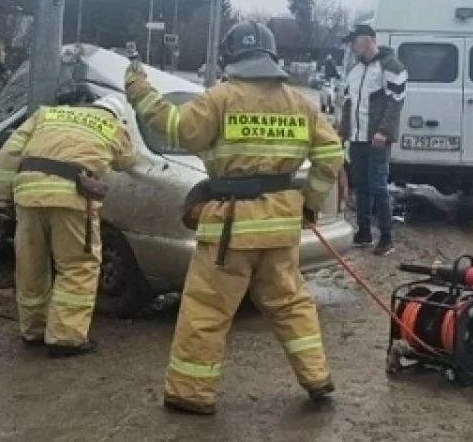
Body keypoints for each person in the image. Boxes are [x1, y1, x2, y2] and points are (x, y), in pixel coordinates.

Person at [125, 21, 345, 415]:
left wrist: (139, 90)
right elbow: (331, 156)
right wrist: (309, 201)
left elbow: (176, 129)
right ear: (272, 56)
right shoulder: (300, 103)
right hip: (279, 227)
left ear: (230, 58)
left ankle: (191, 393)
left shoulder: (219, 98)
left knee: (207, 310)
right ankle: (317, 377)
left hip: (231, 228)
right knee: (292, 304)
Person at [0, 93, 136, 358]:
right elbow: (128, 161)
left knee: (31, 264)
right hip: (72, 194)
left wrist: (2, 198)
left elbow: (10, 151)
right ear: (119, 114)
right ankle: (65, 338)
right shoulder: (112, 125)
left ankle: (33, 330)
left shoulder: (47, 113)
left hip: (28, 192)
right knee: (78, 265)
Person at [338, 24, 407, 254]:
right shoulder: (355, 71)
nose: (353, 46)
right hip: (358, 138)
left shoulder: (391, 66)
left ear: (368, 40)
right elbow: (349, 105)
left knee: (378, 186)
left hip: (377, 138)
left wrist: (384, 131)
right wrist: (342, 134)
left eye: (355, 41)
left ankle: (387, 238)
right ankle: (364, 231)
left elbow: (395, 101)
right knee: (362, 185)